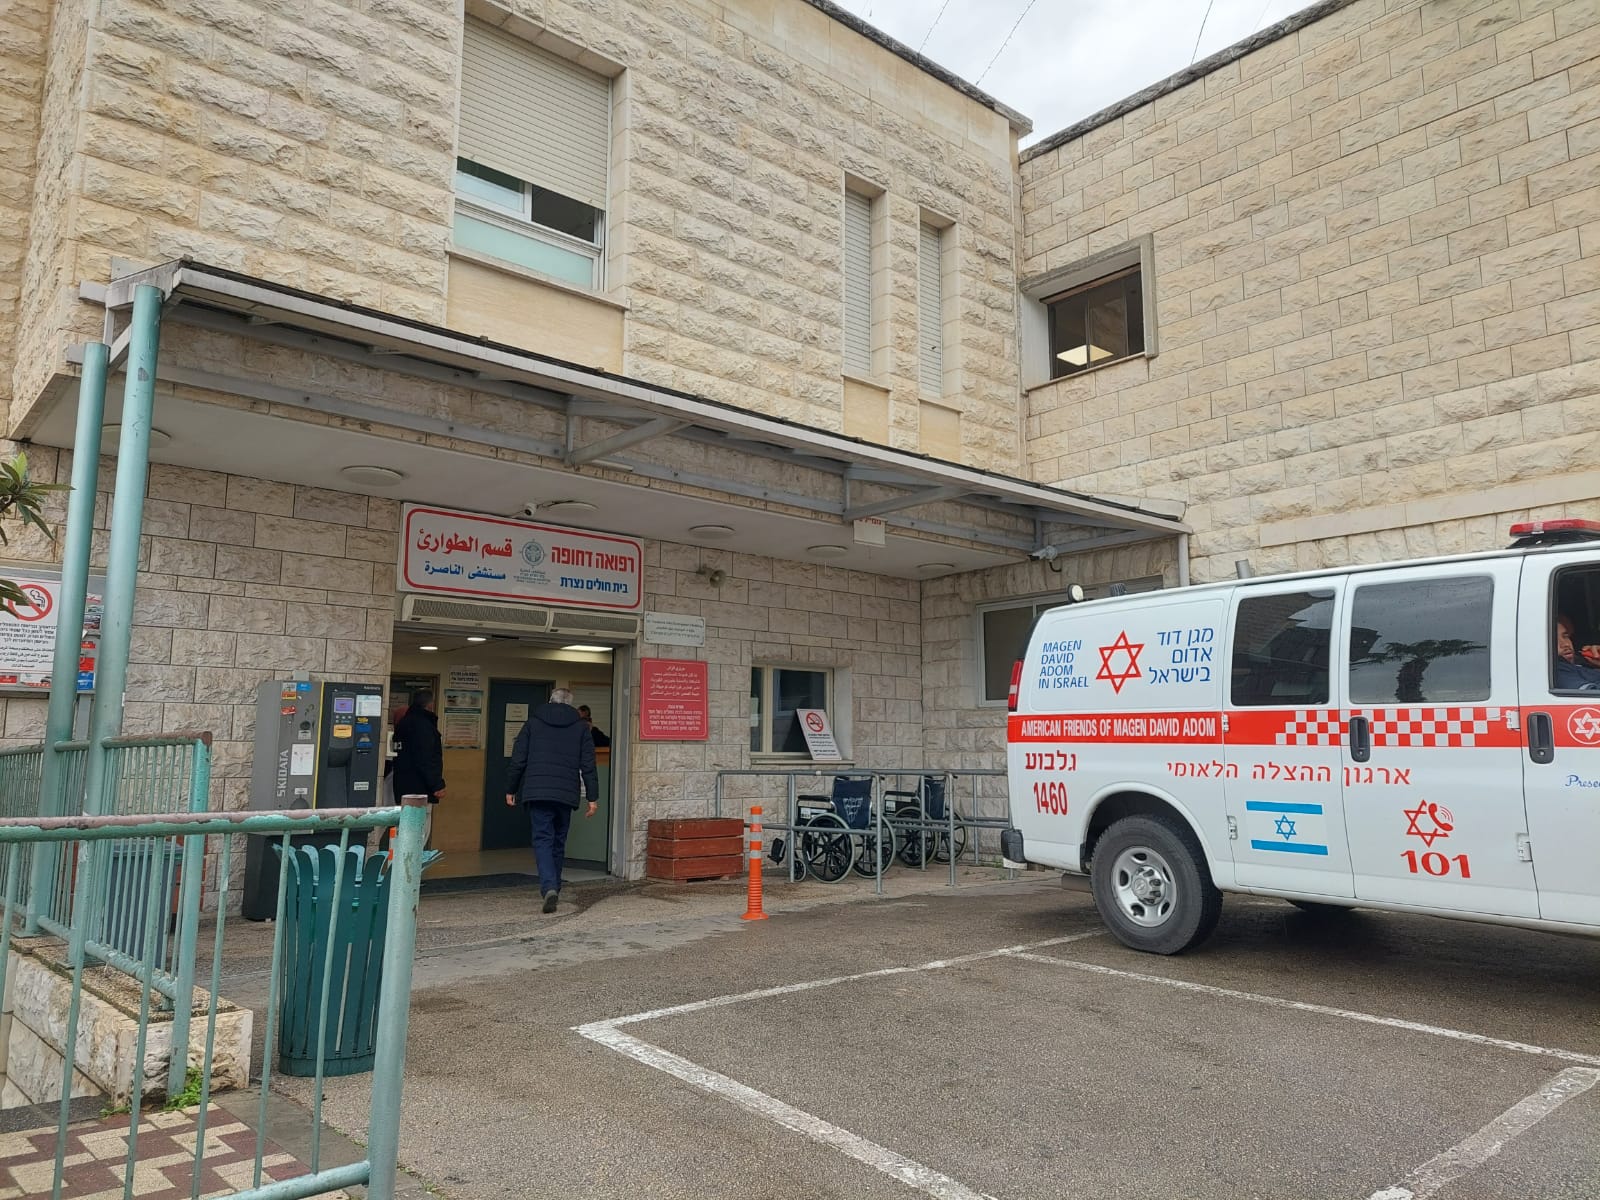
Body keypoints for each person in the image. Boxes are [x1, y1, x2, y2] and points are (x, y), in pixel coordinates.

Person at [506, 687, 599, 913]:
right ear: (570, 704)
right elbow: (588, 764)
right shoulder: (581, 728)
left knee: (542, 839)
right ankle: (555, 885)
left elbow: (519, 759)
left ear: (550, 700)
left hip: (538, 791)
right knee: (558, 840)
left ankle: (549, 886)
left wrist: (511, 789)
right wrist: (593, 797)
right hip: (565, 793)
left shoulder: (533, 723)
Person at [391, 690, 445, 847]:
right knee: (419, 831)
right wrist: (437, 784)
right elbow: (426, 758)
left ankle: (399, 859)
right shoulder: (423, 725)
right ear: (430, 705)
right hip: (420, 788)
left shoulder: (403, 723)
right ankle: (411, 862)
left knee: (403, 827)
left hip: (402, 785)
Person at [1554, 614, 1600, 690]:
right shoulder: (1557, 671)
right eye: (1554, 640)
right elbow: (1589, 692)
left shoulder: (1583, 662)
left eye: (1565, 636)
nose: (1565, 644)